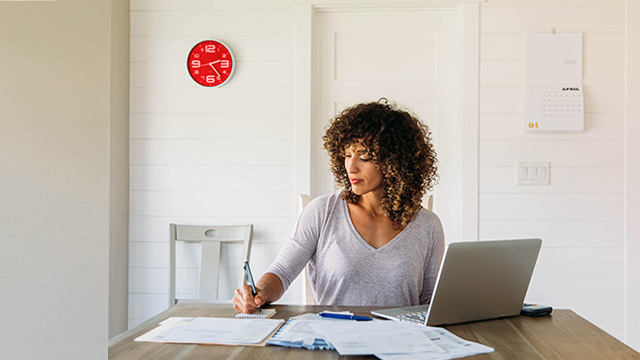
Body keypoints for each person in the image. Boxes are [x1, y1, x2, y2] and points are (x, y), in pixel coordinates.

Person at [233, 99, 445, 314]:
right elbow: (281, 272)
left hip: (402, 342)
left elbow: (430, 302)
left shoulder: (427, 225)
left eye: (364, 157)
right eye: (346, 155)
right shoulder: (322, 212)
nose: (351, 168)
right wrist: (259, 292)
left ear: (395, 162)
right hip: (333, 339)